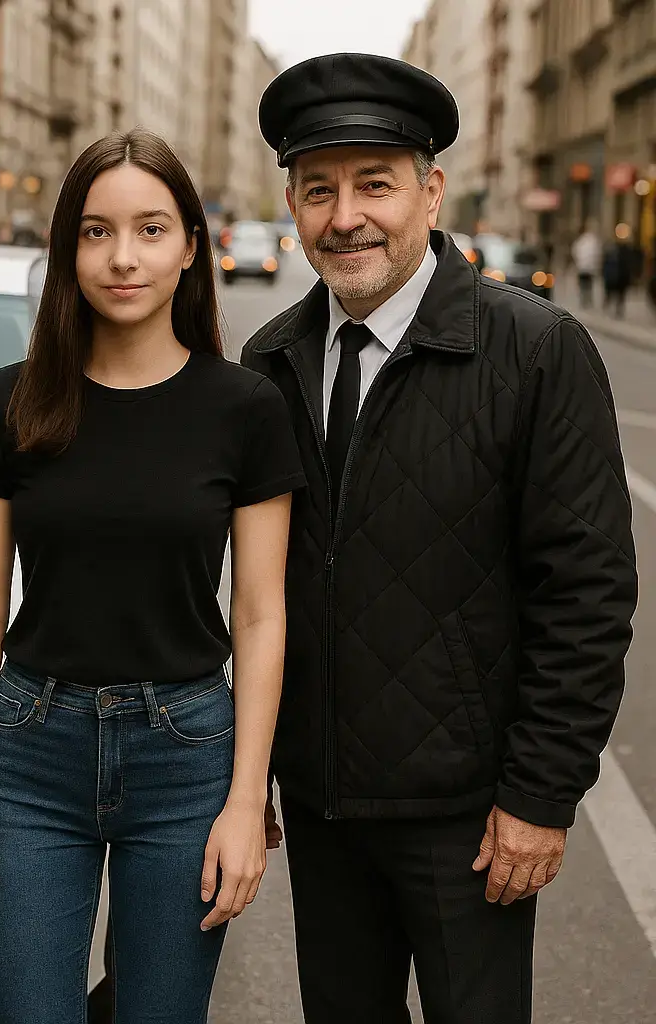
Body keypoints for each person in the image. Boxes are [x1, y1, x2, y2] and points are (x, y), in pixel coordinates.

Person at [242, 53, 637, 1024]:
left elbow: (585, 593)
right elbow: (251, 593)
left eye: (374, 184)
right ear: (292, 205)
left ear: (430, 191)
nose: (346, 217)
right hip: (323, 806)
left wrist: (540, 796)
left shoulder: (535, 349)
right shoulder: (269, 360)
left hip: (470, 819)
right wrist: (250, 773)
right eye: (319, 190)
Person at [0, 127, 306, 1024]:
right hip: (28, 756)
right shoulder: (10, 400)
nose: (123, 258)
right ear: (68, 251)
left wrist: (246, 800)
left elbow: (261, 614)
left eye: (150, 229)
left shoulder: (245, 408)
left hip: (187, 755)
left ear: (190, 247)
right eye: (96, 232)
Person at [571, 221, 601, 308]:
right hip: (590, 267)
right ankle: (588, 300)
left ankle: (584, 300)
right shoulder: (592, 240)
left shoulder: (580, 241)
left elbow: (575, 252)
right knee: (588, 284)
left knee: (583, 284)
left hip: (582, 267)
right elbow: (597, 253)